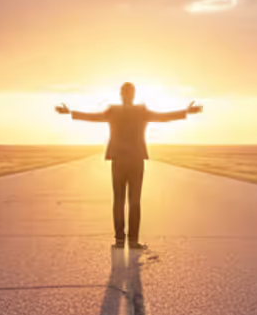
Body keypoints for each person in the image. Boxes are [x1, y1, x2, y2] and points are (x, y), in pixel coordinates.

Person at [56, 83, 202, 248]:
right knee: (134, 201)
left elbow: (93, 118)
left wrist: (70, 113)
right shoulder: (141, 111)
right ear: (133, 95)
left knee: (119, 201)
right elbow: (163, 117)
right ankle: (132, 241)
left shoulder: (113, 111)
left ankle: (119, 240)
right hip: (135, 160)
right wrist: (186, 112)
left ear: (121, 95)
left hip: (119, 160)